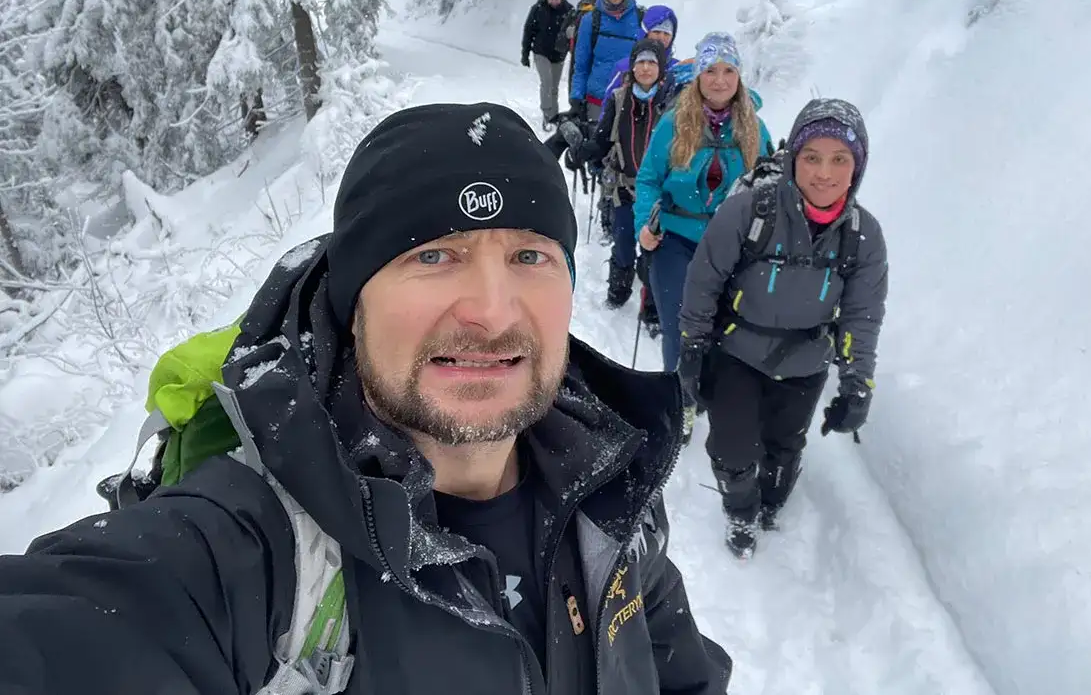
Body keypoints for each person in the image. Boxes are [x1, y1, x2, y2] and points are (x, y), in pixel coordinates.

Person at [0, 103, 732, 695]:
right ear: (354, 306)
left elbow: (678, 670)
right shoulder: (255, 553)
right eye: (434, 255)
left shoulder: (609, 478)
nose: (492, 311)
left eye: (529, 255)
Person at [677, 99, 888, 558]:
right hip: (737, 352)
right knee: (732, 447)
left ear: (858, 167)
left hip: (806, 361)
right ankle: (740, 512)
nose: (824, 173)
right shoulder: (751, 212)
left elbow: (862, 316)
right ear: (793, 158)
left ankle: (771, 503)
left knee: (784, 446)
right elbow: (704, 277)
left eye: (840, 159)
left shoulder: (862, 236)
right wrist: (693, 346)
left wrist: (857, 385)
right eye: (811, 157)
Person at [634, 32, 772, 383]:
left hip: (732, 244)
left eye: (728, 70)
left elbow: (770, 186)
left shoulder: (755, 129)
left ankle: (711, 391)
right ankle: (679, 400)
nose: (720, 80)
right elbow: (649, 178)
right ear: (698, 76)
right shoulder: (673, 123)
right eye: (711, 70)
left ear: (739, 76)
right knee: (679, 326)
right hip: (675, 239)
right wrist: (643, 227)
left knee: (724, 326)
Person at [574, 38, 672, 326]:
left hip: (660, 193)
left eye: (651, 62)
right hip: (624, 188)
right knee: (624, 243)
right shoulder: (619, 99)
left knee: (655, 250)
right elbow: (603, 140)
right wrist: (585, 151)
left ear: (660, 67)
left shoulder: (673, 104)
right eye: (640, 62)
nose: (645, 68)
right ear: (632, 66)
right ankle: (618, 292)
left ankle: (652, 309)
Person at [569, 0, 643, 123]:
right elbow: (581, 65)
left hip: (631, 103)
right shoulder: (590, 20)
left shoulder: (640, 18)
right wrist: (576, 99)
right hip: (596, 102)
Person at [600, 4, 681, 104]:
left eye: (666, 33)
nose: (661, 37)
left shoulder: (677, 68)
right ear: (645, 32)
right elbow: (608, 106)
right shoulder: (624, 68)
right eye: (656, 32)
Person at [521, 0, 574, 129]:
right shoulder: (538, 9)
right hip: (541, 52)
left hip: (558, 54)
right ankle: (547, 114)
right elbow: (528, 31)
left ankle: (554, 115)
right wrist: (525, 53)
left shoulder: (568, 10)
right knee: (547, 81)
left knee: (554, 87)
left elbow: (574, 32)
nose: (554, 1)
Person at [558, 0, 600, 99]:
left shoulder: (578, 12)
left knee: (578, 85)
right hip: (588, 56)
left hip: (582, 56)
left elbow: (560, 44)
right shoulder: (578, 13)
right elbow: (561, 42)